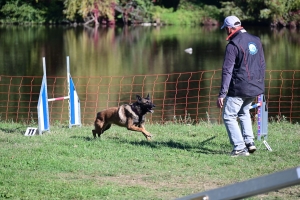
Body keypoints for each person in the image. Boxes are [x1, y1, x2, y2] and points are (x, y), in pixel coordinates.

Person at [217, 16, 266, 157]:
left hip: (239, 88)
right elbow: (262, 65)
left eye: (226, 29)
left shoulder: (233, 45)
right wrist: (259, 86)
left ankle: (239, 148)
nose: (226, 31)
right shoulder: (256, 40)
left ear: (229, 28)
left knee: (228, 116)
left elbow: (227, 71)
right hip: (255, 86)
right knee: (243, 112)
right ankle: (249, 143)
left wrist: (222, 93)